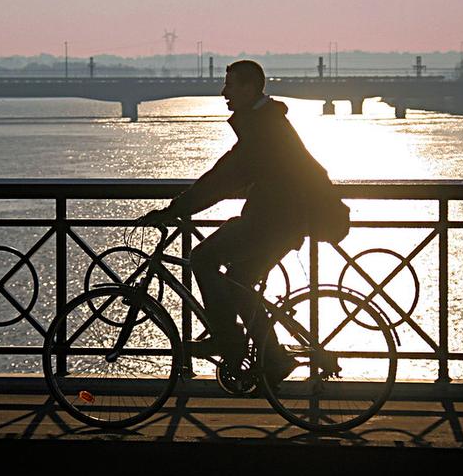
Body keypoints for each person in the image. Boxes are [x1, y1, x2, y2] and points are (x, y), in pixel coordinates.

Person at [141, 59, 339, 384]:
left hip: (274, 222)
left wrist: (175, 210)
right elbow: (229, 175)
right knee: (239, 282)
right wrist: (181, 207)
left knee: (202, 258)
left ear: (250, 88)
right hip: (280, 221)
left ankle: (226, 339)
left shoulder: (263, 129)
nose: (224, 93)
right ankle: (274, 359)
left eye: (230, 85)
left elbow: (224, 178)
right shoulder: (265, 122)